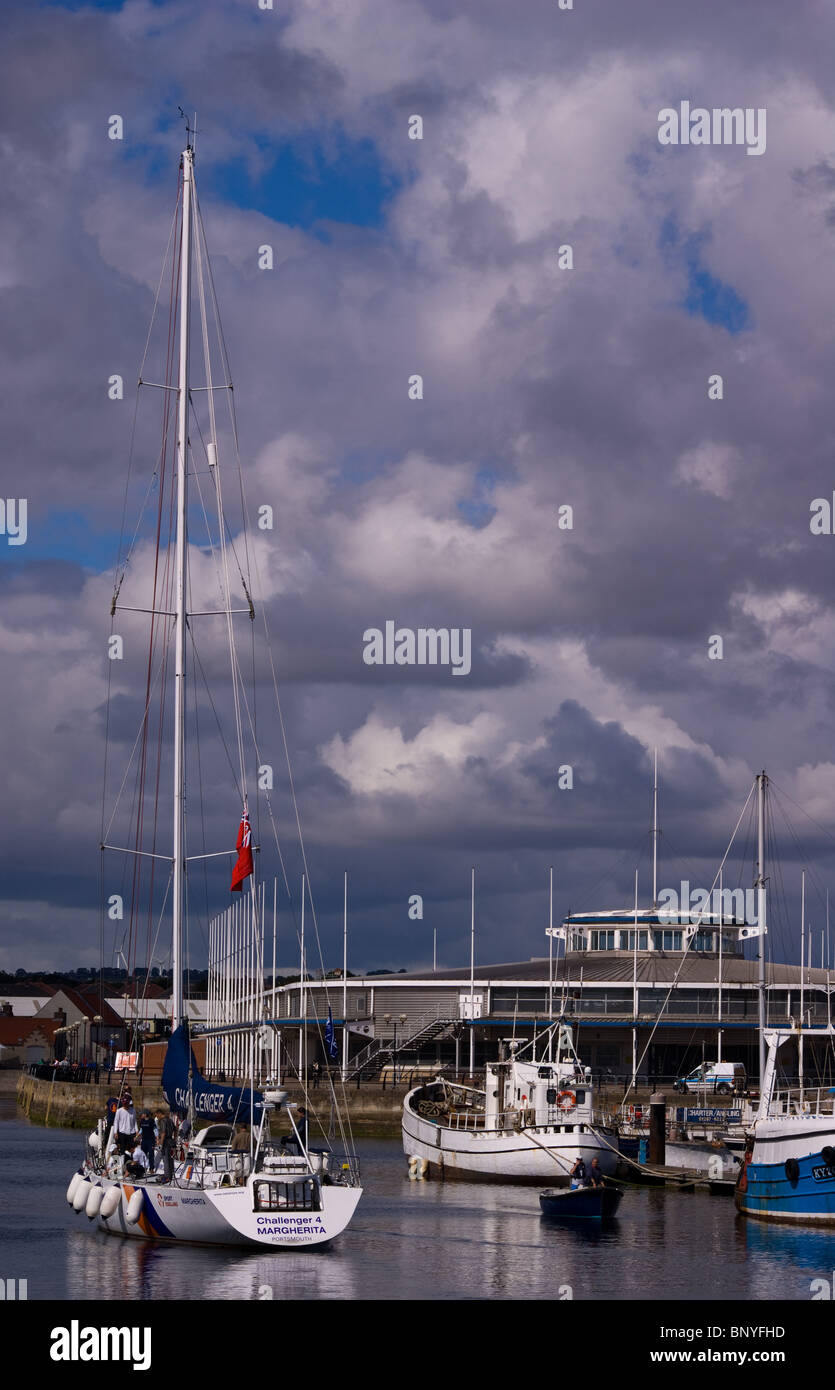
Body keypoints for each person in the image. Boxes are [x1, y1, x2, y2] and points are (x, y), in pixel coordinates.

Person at [157, 1108, 176, 1183]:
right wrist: (175, 1138)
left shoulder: (163, 1121)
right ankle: (171, 1175)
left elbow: (163, 1132)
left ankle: (167, 1177)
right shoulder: (170, 1120)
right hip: (171, 1140)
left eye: (157, 1116)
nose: (157, 1118)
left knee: (166, 1160)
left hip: (166, 1141)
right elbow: (176, 1129)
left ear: (159, 1113)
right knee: (170, 1159)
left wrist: (161, 1142)